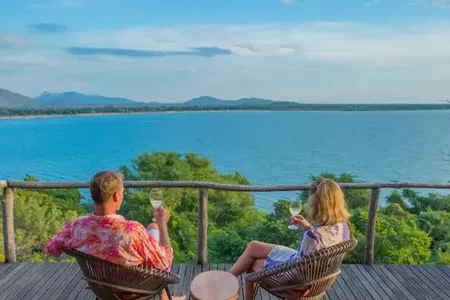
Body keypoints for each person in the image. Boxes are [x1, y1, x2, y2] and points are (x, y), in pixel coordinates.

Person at [45, 170, 184, 300]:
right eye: (122, 192)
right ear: (116, 196)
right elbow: (165, 264)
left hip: (101, 286)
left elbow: (51, 249)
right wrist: (162, 224)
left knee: (151, 230)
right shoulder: (133, 231)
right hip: (134, 289)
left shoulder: (77, 226)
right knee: (155, 229)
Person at [229, 179, 351, 300]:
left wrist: (269, 267)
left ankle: (224, 284)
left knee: (253, 265)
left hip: (299, 284)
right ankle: (226, 279)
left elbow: (298, 273)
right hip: (316, 275)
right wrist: (309, 227)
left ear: (317, 205)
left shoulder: (312, 236)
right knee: (254, 246)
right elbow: (323, 244)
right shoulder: (343, 227)